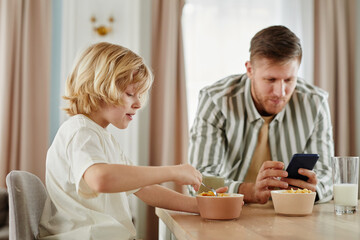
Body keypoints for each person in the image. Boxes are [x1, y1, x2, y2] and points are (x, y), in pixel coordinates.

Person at [38, 42, 204, 240]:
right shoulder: (80, 131)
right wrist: (173, 171)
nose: (138, 104)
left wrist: (199, 206)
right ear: (97, 89)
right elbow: (100, 179)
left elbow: (144, 188)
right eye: (130, 94)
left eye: (139, 95)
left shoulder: (101, 136)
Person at [188, 25, 334, 204]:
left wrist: (315, 190)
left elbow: (329, 176)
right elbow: (197, 181)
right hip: (232, 211)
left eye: (289, 80)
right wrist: (250, 191)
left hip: (292, 212)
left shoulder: (315, 103)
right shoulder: (216, 100)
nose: (280, 92)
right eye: (270, 79)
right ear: (250, 70)